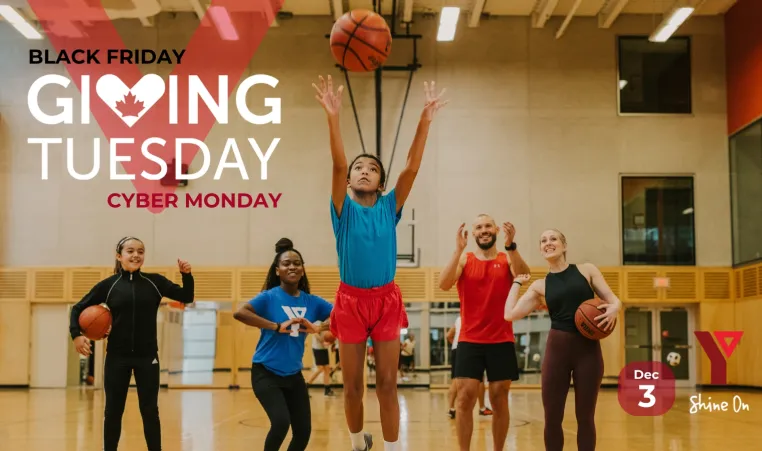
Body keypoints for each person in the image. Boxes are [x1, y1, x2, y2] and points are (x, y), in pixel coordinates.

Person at [313, 74, 448, 451]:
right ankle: (358, 443)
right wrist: (332, 118)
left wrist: (424, 121)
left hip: (386, 300)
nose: (363, 170)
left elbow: (411, 167)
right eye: (359, 167)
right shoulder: (342, 210)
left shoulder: (390, 206)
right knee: (353, 385)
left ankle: (391, 448)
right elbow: (338, 166)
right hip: (351, 302)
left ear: (380, 181)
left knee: (387, 384)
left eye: (372, 168)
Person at [69, 236, 195, 451]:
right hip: (117, 357)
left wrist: (187, 275)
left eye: (140, 251)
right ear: (119, 256)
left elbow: (187, 296)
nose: (136, 255)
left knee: (149, 410)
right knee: (113, 411)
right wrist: (77, 335)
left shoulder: (155, 282)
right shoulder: (108, 286)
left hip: (148, 357)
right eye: (130, 251)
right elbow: (78, 308)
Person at [504, 229, 621, 451]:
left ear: (564, 245)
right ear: (541, 249)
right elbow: (509, 315)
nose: (548, 243)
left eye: (553, 239)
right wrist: (516, 283)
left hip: (588, 351)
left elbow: (613, 299)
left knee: (585, 417)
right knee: (552, 418)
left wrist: (615, 308)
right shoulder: (541, 286)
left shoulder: (587, 270)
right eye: (543, 241)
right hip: (557, 351)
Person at [438, 215, 531, 451]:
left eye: (488, 226)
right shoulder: (465, 259)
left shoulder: (506, 258)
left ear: (496, 230)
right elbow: (444, 283)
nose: (484, 230)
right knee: (465, 397)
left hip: (501, 339)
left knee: (499, 397)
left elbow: (524, 275)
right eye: (479, 227)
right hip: (470, 340)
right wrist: (457, 249)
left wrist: (512, 246)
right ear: (474, 233)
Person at [233, 238, 333, 451]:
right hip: (265, 372)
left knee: (303, 432)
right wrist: (276, 326)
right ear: (277, 270)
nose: (292, 267)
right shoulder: (269, 297)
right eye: (286, 263)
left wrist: (318, 328)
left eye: (296, 263)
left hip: (293, 375)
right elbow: (240, 312)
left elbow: (343, 316)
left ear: (303, 270)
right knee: (280, 423)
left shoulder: (312, 302)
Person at [446, 316, 491, 419]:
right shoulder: (476, 316)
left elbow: (448, 335)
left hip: (457, 348)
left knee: (456, 378)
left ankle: (451, 408)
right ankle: (482, 408)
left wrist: (455, 345)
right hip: (468, 347)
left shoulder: (459, 318)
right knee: (479, 378)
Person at [307, 321, 336, 396]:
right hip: (318, 348)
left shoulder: (326, 321)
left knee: (327, 369)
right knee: (321, 369)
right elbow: (315, 334)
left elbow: (330, 334)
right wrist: (323, 341)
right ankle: (306, 386)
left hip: (323, 349)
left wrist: (331, 342)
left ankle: (327, 390)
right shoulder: (317, 322)